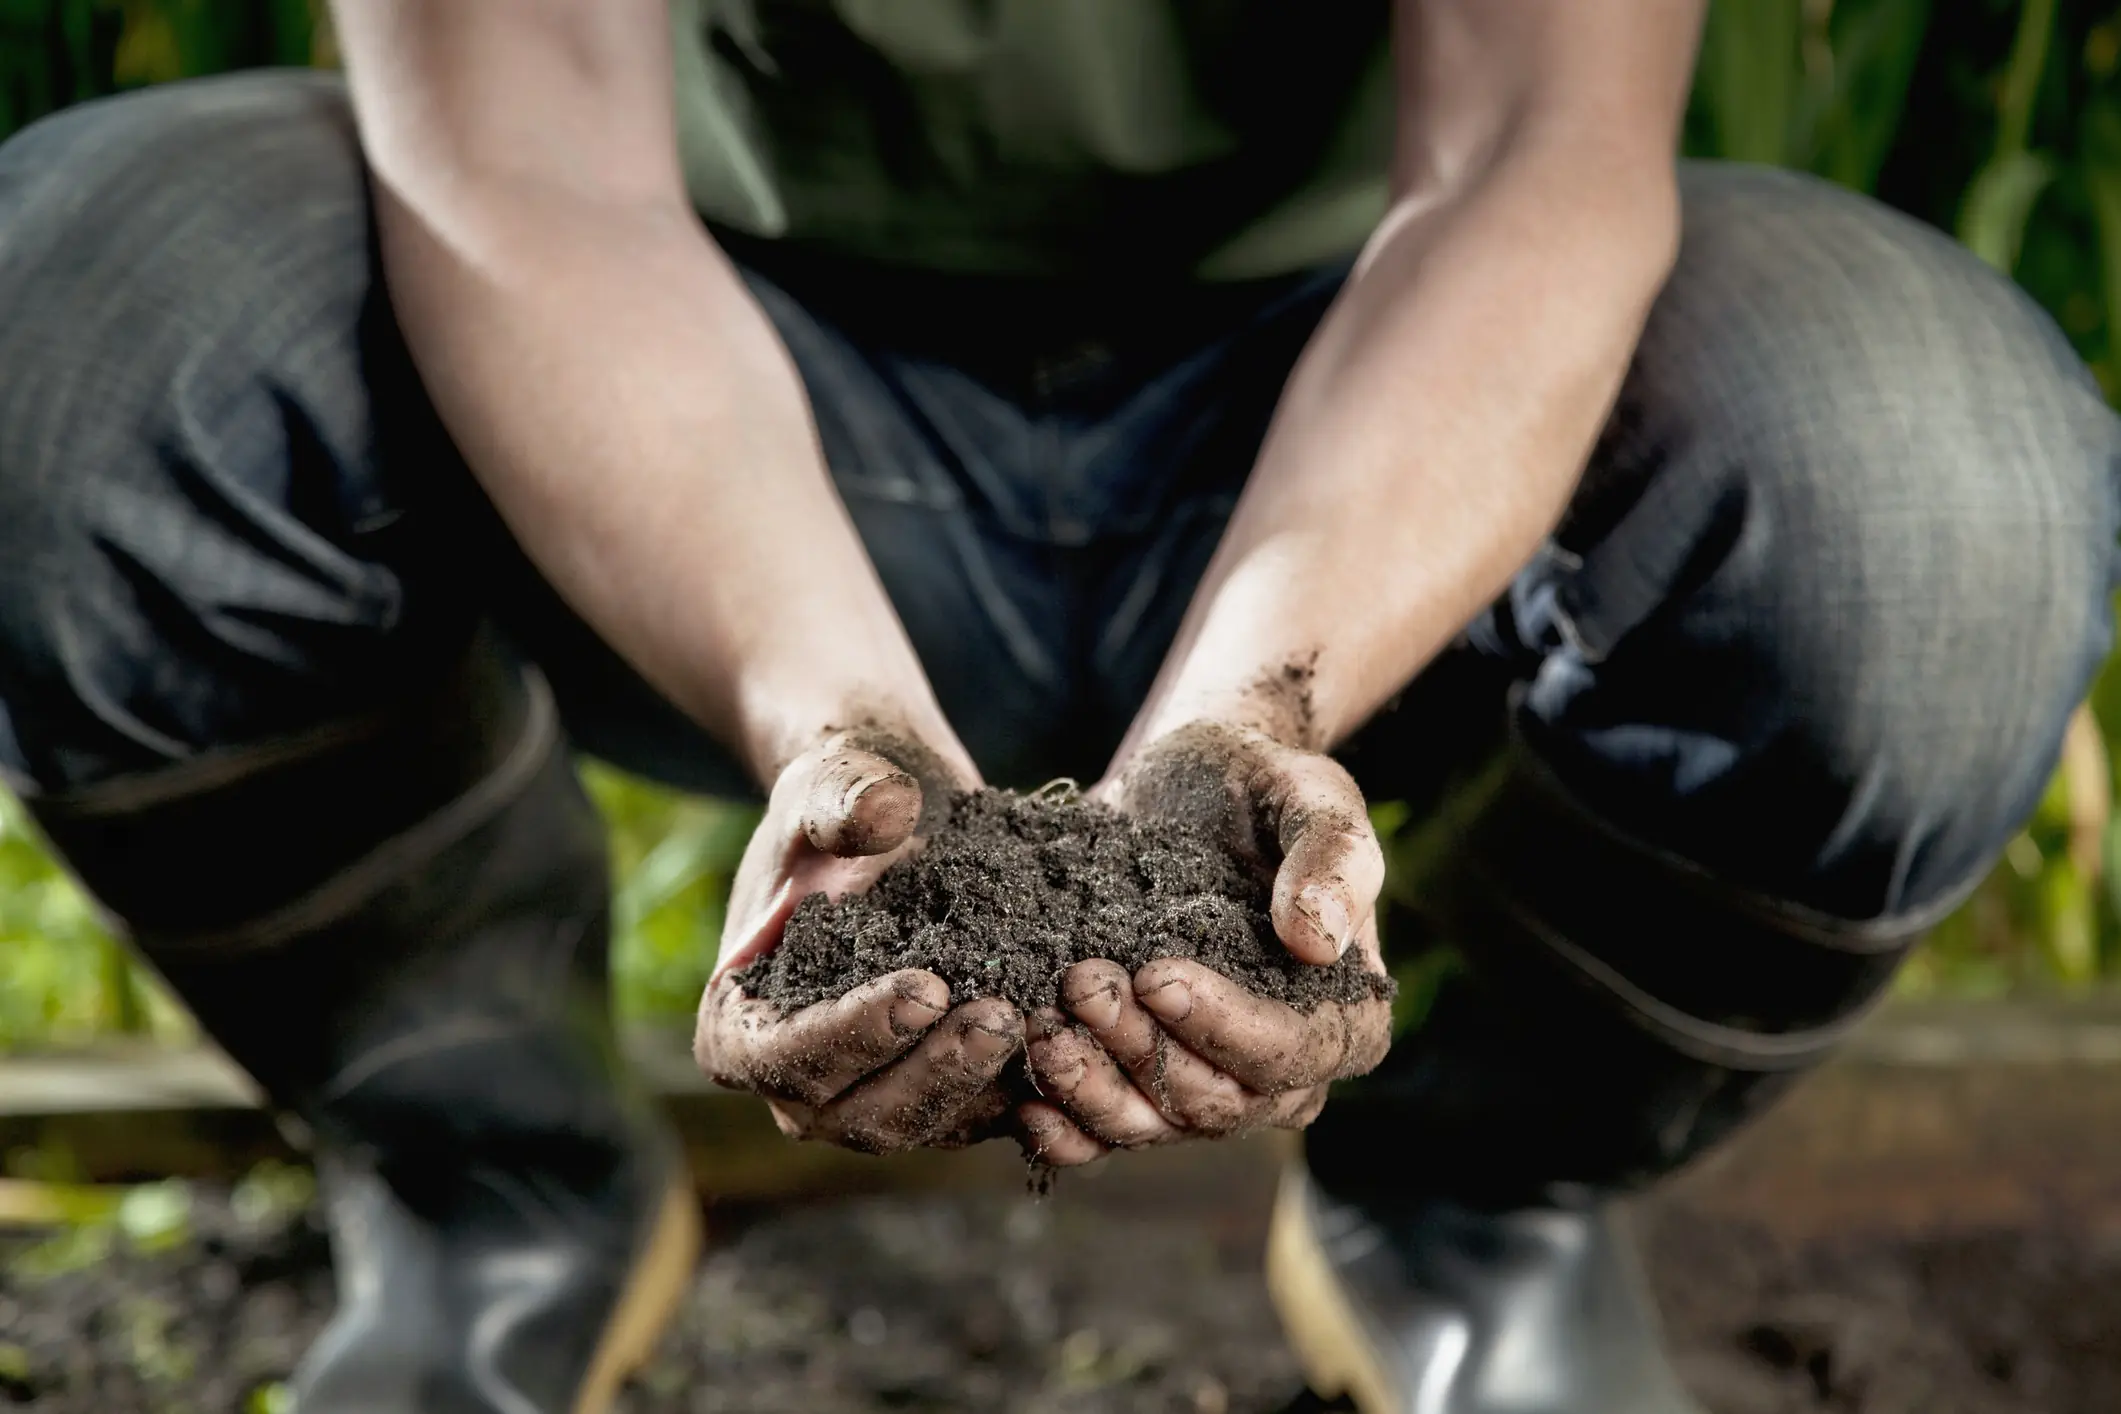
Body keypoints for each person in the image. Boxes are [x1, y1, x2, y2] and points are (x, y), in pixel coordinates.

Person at [0, 1, 2113, 1410]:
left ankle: (1480, 1191)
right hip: (690, 417)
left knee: (1929, 481)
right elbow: (528, 175)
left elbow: (1530, 163)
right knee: (70, 316)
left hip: (1375, 433)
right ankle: (497, 1179)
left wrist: (1251, 716)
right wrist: (830, 705)